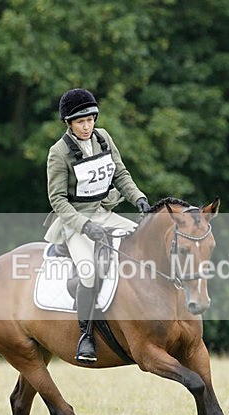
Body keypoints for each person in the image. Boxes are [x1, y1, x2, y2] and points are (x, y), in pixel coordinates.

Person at [44, 88, 152, 364]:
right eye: (80, 121)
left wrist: (137, 197)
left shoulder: (103, 138)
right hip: (75, 221)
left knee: (145, 246)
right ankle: (86, 335)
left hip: (105, 212)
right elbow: (57, 199)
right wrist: (83, 226)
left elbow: (121, 174)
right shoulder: (58, 153)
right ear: (69, 123)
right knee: (89, 273)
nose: (87, 126)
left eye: (90, 119)